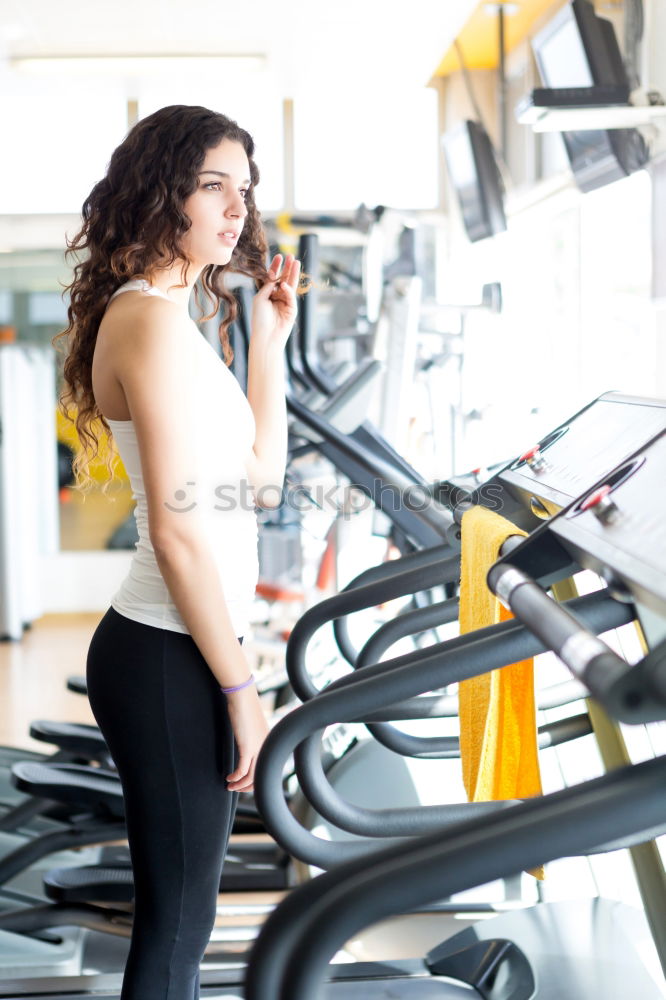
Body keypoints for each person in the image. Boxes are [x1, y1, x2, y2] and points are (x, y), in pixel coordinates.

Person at [53, 104, 303, 1000]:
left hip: (184, 646)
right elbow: (174, 528)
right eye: (212, 185)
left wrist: (268, 344)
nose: (236, 208)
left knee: (185, 919)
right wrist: (239, 689)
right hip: (167, 651)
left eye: (244, 188)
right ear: (164, 192)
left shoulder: (172, 320)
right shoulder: (150, 324)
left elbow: (260, 486)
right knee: (177, 925)